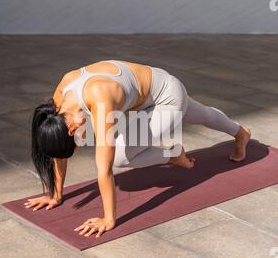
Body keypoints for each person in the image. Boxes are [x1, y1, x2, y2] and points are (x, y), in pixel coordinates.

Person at [25, 60, 251, 238]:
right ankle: (240, 132)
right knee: (202, 115)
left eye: (75, 146)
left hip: (165, 97)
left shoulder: (101, 100)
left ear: (73, 130)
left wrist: (108, 219)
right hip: (152, 90)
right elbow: (56, 148)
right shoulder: (58, 104)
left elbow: (104, 169)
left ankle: (172, 153)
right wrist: (55, 195)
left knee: (119, 158)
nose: (82, 143)